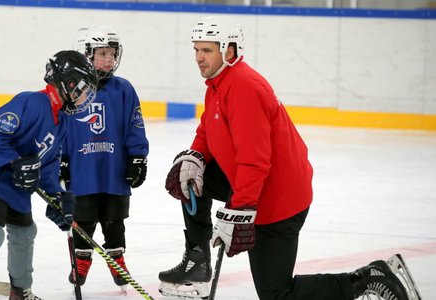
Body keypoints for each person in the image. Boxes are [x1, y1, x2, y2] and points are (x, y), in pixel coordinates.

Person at [158, 16, 421, 300]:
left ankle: (368, 279)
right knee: (190, 177)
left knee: (276, 295)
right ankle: (198, 261)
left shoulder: (244, 87)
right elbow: (208, 128)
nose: (198, 57)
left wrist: (240, 209)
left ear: (229, 50)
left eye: (206, 50)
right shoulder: (219, 84)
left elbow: (254, 160)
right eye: (196, 49)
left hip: (278, 198)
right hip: (256, 185)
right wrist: (196, 155)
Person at [0, 50, 98, 300]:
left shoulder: (62, 121)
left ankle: (20, 291)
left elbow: (49, 163)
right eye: (84, 88)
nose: (86, 96)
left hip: (13, 184)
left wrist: (57, 196)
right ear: (69, 82)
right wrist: (16, 161)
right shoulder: (32, 103)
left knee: (25, 232)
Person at [59, 25, 149, 288]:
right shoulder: (70, 89)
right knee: (82, 219)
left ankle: (118, 263)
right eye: (102, 54)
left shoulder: (124, 89)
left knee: (114, 219)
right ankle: (82, 263)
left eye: (112, 53)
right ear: (86, 55)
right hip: (82, 170)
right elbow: (60, 127)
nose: (109, 59)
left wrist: (137, 157)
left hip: (113, 170)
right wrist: (60, 160)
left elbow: (135, 124)